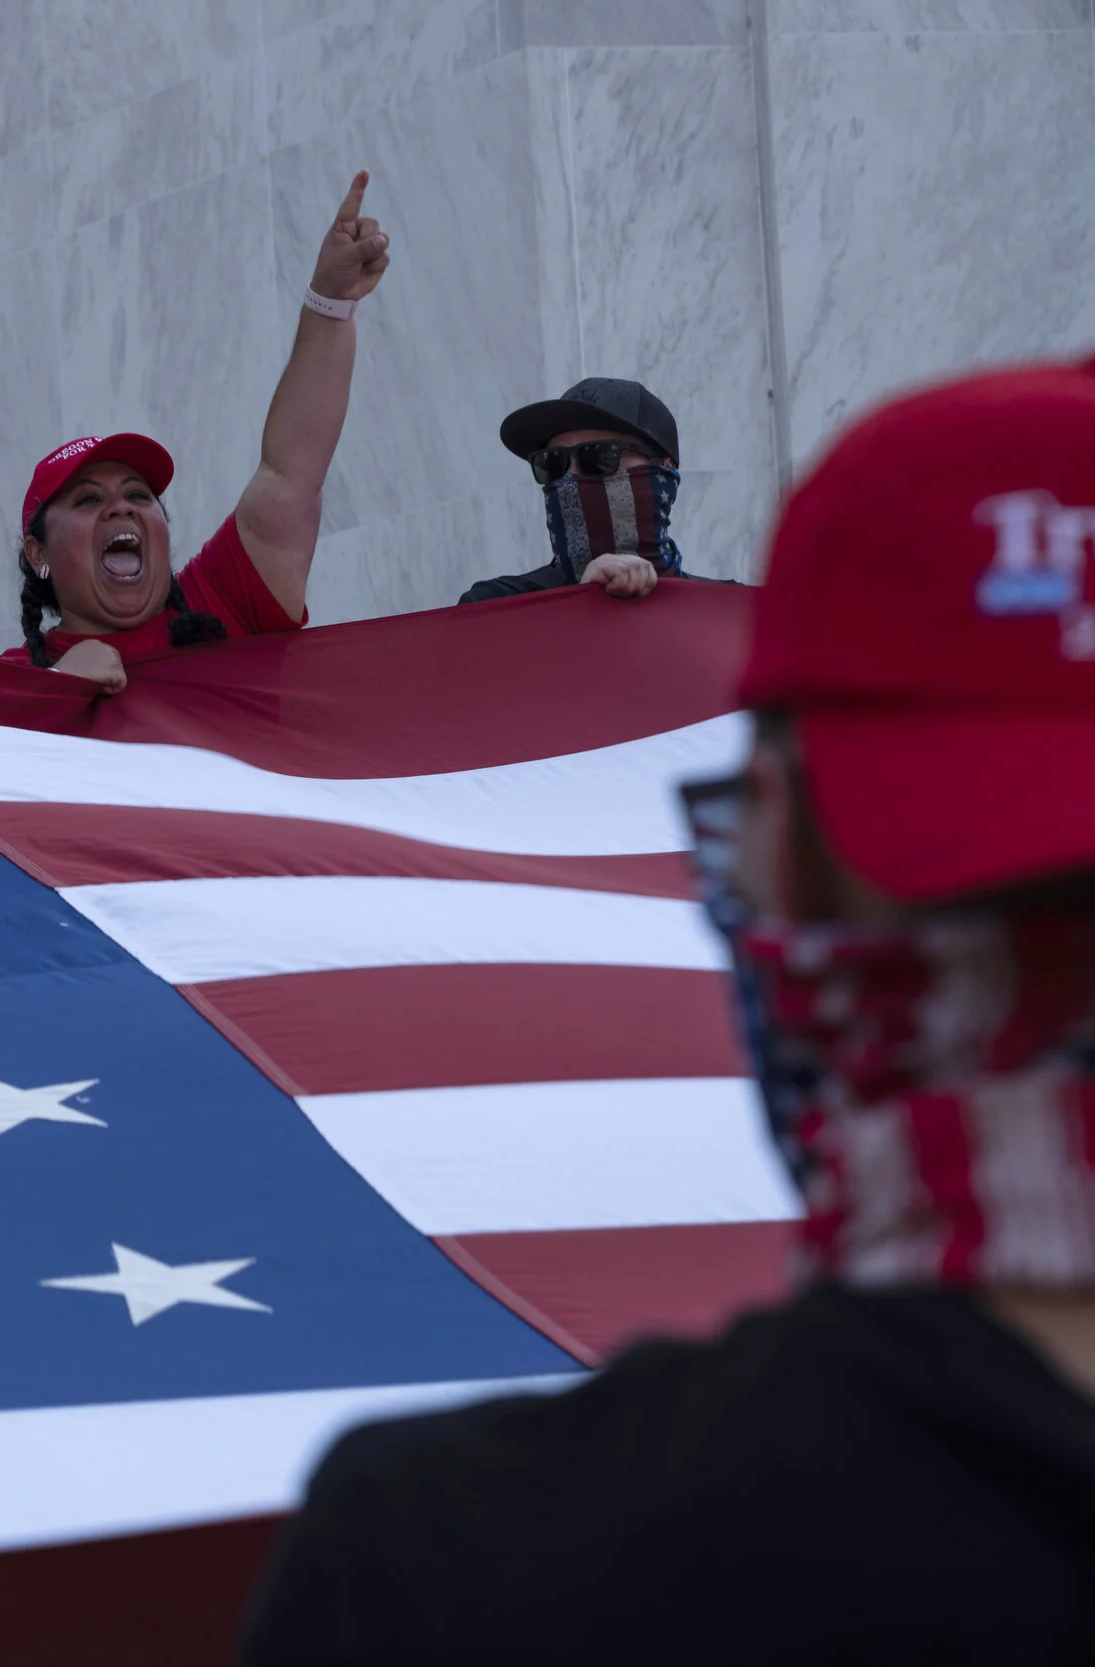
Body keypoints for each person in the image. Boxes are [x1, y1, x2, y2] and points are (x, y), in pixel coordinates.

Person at [241, 360, 1095, 1664]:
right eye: (558, 469)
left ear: (771, 864)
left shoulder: (446, 1563)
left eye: (606, 462)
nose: (579, 487)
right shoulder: (490, 621)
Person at [4, 172, 390, 696]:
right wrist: (52, 691)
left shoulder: (222, 602)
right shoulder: (4, 685)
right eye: (88, 499)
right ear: (39, 555)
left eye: (139, 495)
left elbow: (292, 472)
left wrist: (332, 301)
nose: (122, 508)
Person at [461, 376, 693, 603]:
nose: (569, 477)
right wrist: (581, 602)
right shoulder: (494, 606)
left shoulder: (711, 607)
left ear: (666, 469)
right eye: (553, 462)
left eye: (599, 456)